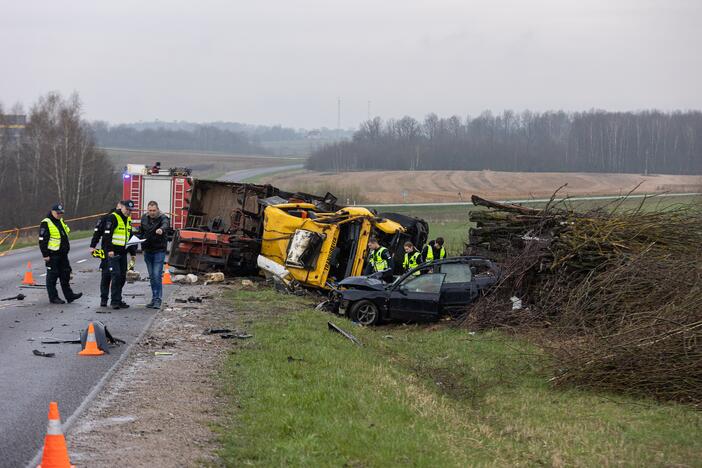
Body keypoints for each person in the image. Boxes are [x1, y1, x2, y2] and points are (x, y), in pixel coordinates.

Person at [38, 203, 82, 304]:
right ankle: (53, 297)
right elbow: (42, 240)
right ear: (52, 212)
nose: (59, 215)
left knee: (65, 275)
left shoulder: (60, 221)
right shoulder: (46, 222)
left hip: (63, 254)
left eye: (61, 213)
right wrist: (45, 255)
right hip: (52, 255)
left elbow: (64, 233)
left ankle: (69, 296)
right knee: (52, 277)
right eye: (57, 213)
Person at [99, 200, 137, 309]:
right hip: (113, 253)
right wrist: (110, 250)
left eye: (131, 210)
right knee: (115, 276)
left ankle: (118, 299)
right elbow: (107, 235)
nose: (128, 212)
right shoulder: (113, 217)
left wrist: (133, 252)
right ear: (122, 207)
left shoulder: (128, 220)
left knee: (122, 277)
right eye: (127, 209)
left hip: (123, 253)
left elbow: (129, 236)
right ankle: (114, 301)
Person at [139, 200, 170, 308]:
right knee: (152, 276)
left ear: (157, 210)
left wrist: (161, 229)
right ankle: (153, 298)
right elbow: (141, 232)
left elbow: (166, 225)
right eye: (150, 210)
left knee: (157, 275)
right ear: (147, 210)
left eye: (154, 210)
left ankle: (158, 299)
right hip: (148, 251)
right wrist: (138, 243)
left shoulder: (163, 218)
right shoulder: (144, 218)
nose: (152, 212)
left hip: (159, 251)